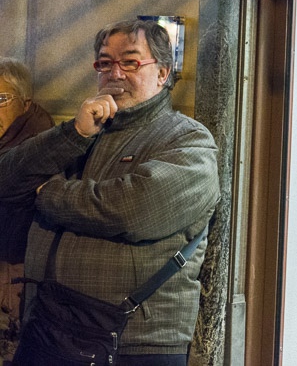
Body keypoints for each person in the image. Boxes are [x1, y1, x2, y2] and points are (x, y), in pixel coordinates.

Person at [0, 19, 220, 364]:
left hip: (133, 343)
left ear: (162, 74)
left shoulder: (188, 140)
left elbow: (130, 210)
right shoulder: (85, 131)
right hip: (48, 328)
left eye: (130, 62)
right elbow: (7, 180)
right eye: (105, 63)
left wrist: (47, 193)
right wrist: (73, 133)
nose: (115, 73)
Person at [0, 59, 53, 365]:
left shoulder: (36, 144)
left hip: (16, 272)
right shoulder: (9, 136)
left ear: (26, 103)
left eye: (1, 99)